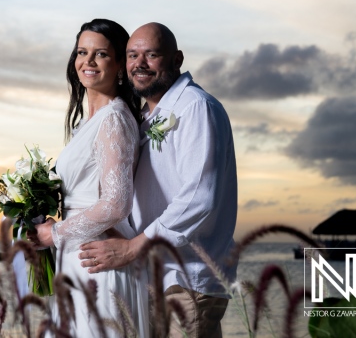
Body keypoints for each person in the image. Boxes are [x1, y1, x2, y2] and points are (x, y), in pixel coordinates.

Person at [77, 23, 238, 338]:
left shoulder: (195, 107)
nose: (140, 64)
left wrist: (130, 248)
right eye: (133, 55)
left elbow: (199, 199)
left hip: (187, 280)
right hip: (151, 278)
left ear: (177, 59)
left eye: (151, 55)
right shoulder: (147, 116)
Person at [33, 19, 150, 338]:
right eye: (82, 52)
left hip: (97, 259)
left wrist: (54, 234)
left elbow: (116, 203)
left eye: (101, 54)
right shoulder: (90, 123)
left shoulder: (114, 120)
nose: (89, 60)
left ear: (121, 67)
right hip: (77, 255)